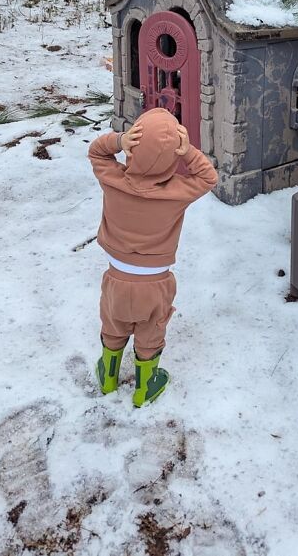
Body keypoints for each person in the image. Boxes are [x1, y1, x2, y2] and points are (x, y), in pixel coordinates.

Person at [88, 108, 218, 407]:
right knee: (150, 331)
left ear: (132, 151)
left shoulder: (113, 180)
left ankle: (108, 375)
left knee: (113, 325)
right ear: (173, 156)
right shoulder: (177, 192)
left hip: (116, 278)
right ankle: (146, 386)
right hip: (155, 282)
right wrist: (188, 153)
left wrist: (118, 141)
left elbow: (97, 152)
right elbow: (208, 177)